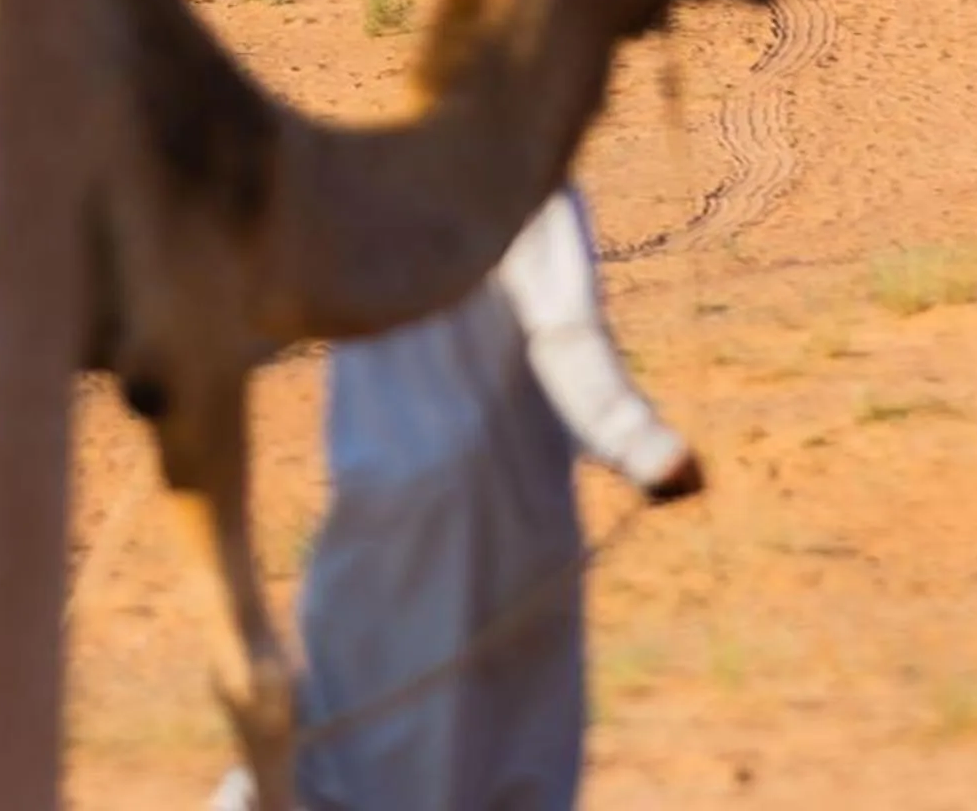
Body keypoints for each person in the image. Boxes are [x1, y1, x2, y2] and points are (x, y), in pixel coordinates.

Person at [211, 184, 703, 811]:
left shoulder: (364, 180)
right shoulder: (526, 184)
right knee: (506, 744)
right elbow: (563, 333)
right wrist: (643, 446)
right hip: (490, 519)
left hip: (371, 506)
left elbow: (278, 315)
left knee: (330, 725)